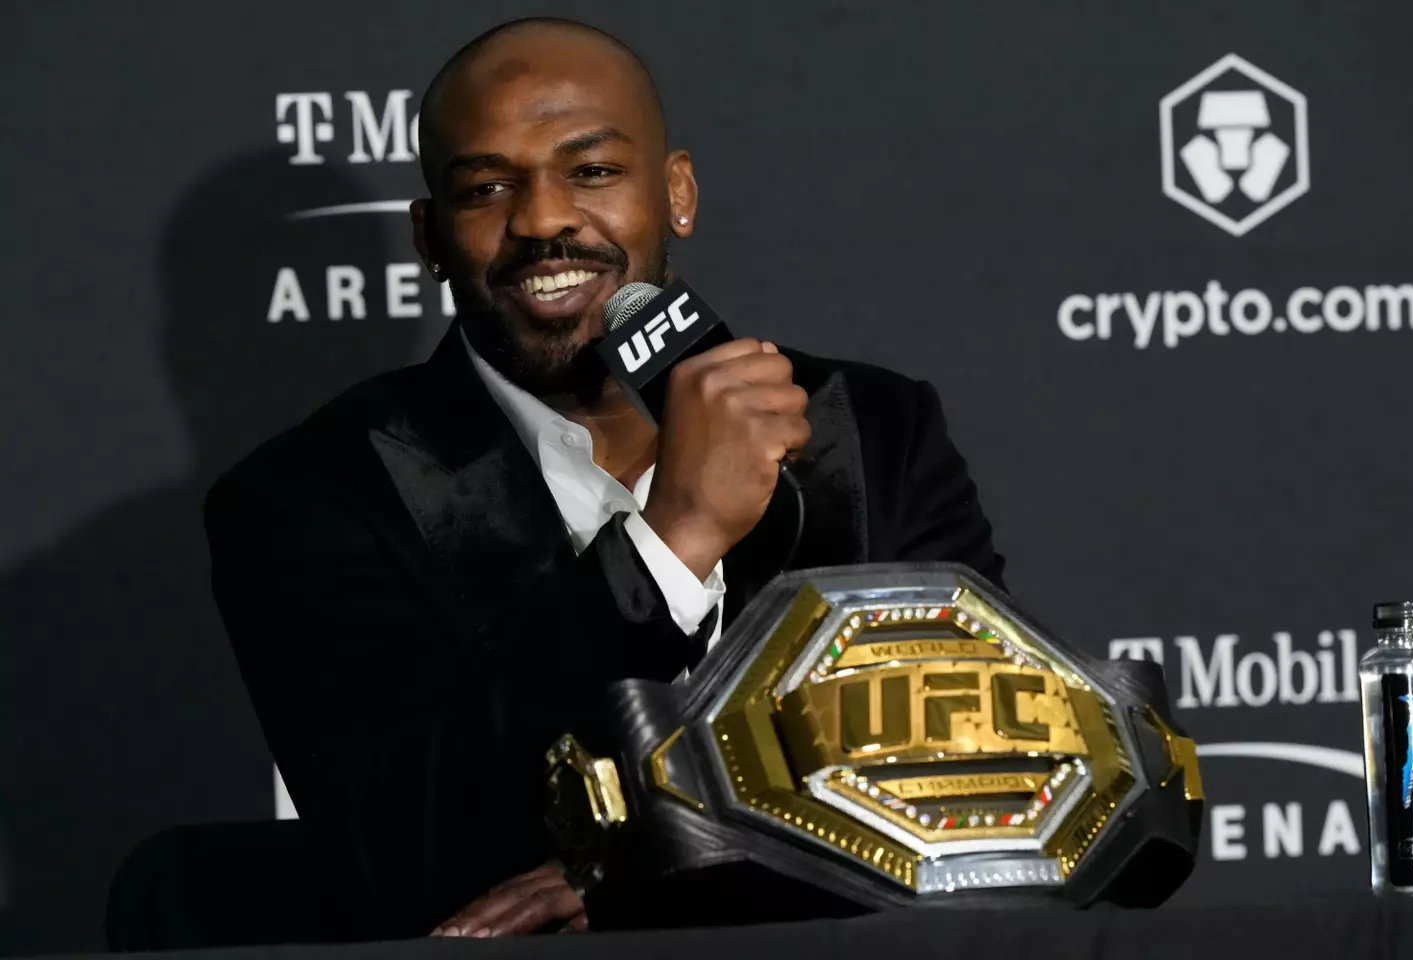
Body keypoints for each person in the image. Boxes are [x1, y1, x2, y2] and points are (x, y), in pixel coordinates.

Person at [205, 16, 1004, 942]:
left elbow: (980, 782)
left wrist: (666, 871)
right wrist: (671, 544)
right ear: (429, 237)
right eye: (487, 187)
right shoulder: (309, 497)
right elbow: (400, 853)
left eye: (591, 172)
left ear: (678, 195)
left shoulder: (872, 432)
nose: (543, 219)